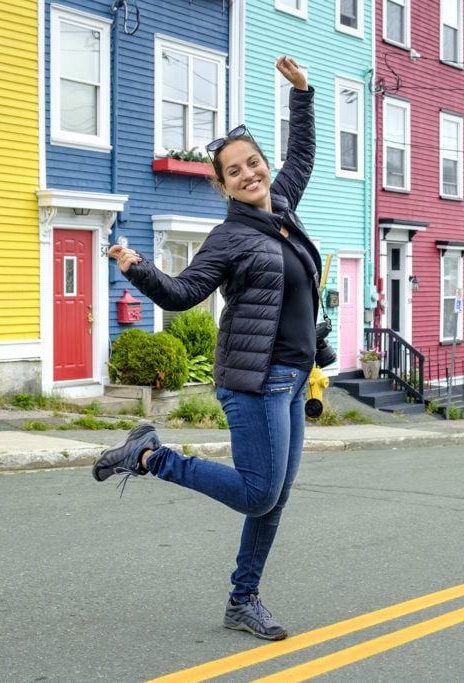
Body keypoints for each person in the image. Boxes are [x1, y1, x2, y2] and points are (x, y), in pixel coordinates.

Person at [94, 56, 323, 641]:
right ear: (219, 185)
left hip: (293, 381)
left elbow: (301, 158)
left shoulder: (284, 210)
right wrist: (139, 269)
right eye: (234, 171)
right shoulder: (230, 236)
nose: (249, 174)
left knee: (274, 499)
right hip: (256, 381)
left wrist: (301, 95)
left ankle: (242, 601)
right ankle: (150, 457)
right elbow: (183, 293)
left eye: (254, 163)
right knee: (257, 493)